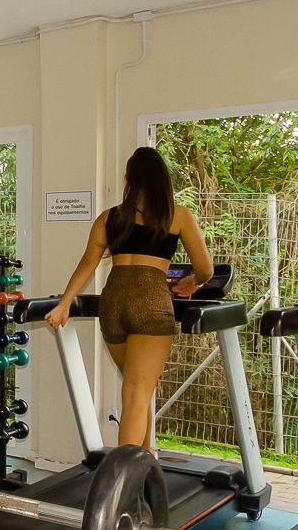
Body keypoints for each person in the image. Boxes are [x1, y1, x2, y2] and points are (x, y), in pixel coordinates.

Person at [47, 147, 215, 447]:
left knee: (138, 389)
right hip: (150, 303)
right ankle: (125, 471)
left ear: (129, 179)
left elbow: (88, 263)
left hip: (113, 305)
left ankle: (145, 456)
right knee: (137, 392)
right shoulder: (178, 215)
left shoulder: (109, 218)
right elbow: (205, 269)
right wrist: (193, 283)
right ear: (162, 179)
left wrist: (64, 303)